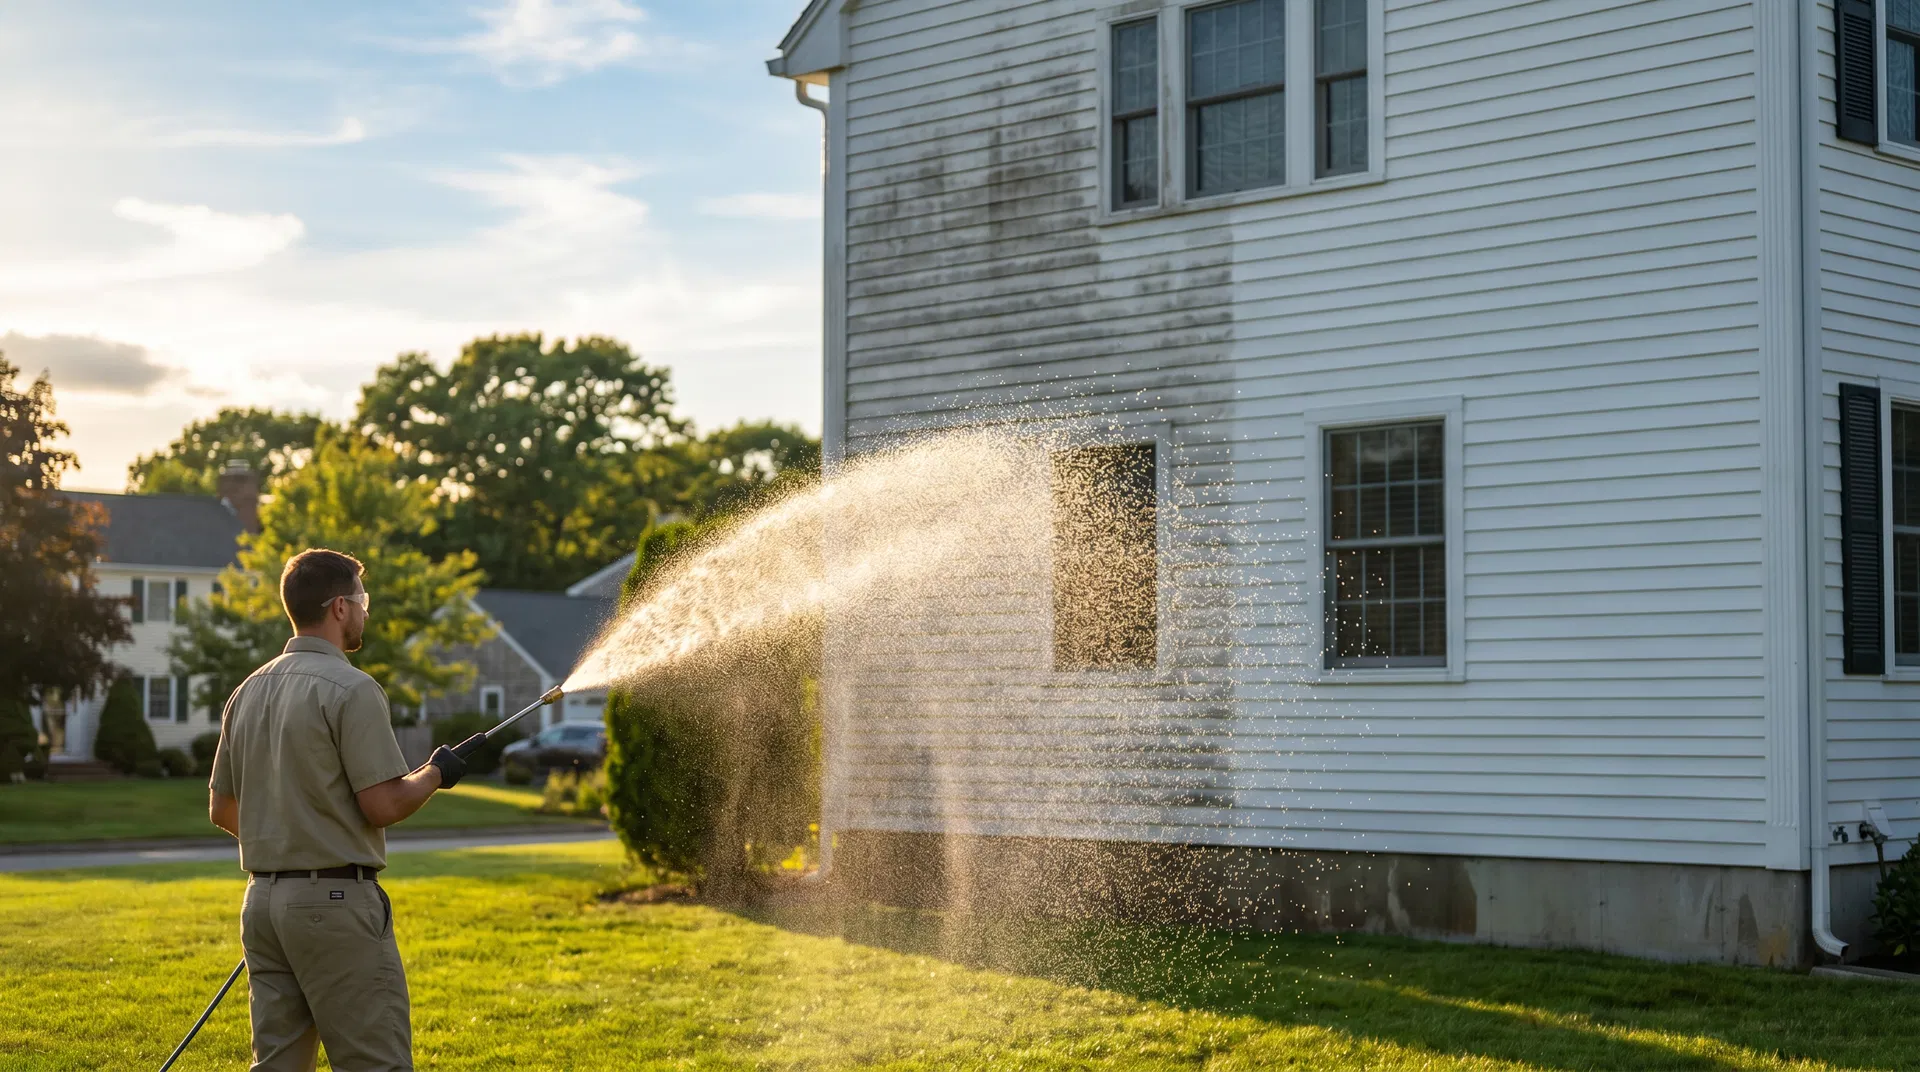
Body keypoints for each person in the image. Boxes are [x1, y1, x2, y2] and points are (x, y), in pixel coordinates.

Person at [208, 548, 467, 1072]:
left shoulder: (247, 691)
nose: (367, 611)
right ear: (340, 608)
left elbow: (222, 807)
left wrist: (287, 850)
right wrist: (437, 773)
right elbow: (384, 803)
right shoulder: (353, 688)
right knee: (376, 1063)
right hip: (334, 904)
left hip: (263, 907)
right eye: (363, 600)